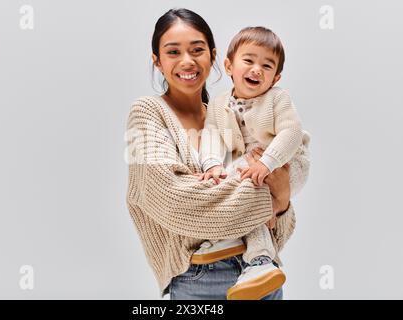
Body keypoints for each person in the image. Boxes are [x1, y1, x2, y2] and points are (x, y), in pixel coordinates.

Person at [126, 8, 295, 300]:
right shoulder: (148, 114)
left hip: (263, 274)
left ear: (214, 56)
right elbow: (176, 203)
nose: (187, 61)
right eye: (173, 52)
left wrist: (280, 204)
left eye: (197, 50)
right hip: (199, 280)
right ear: (157, 61)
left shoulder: (233, 114)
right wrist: (275, 195)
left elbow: (277, 231)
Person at [193, 26, 311, 299]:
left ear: (276, 76)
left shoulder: (277, 98)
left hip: (289, 162)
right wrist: (211, 164)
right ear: (229, 65)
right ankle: (256, 260)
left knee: (246, 183)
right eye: (249, 60)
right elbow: (210, 135)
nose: (257, 69)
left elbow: (291, 133)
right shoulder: (219, 103)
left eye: (266, 65)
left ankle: (258, 260)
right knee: (233, 181)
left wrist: (267, 163)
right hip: (251, 162)